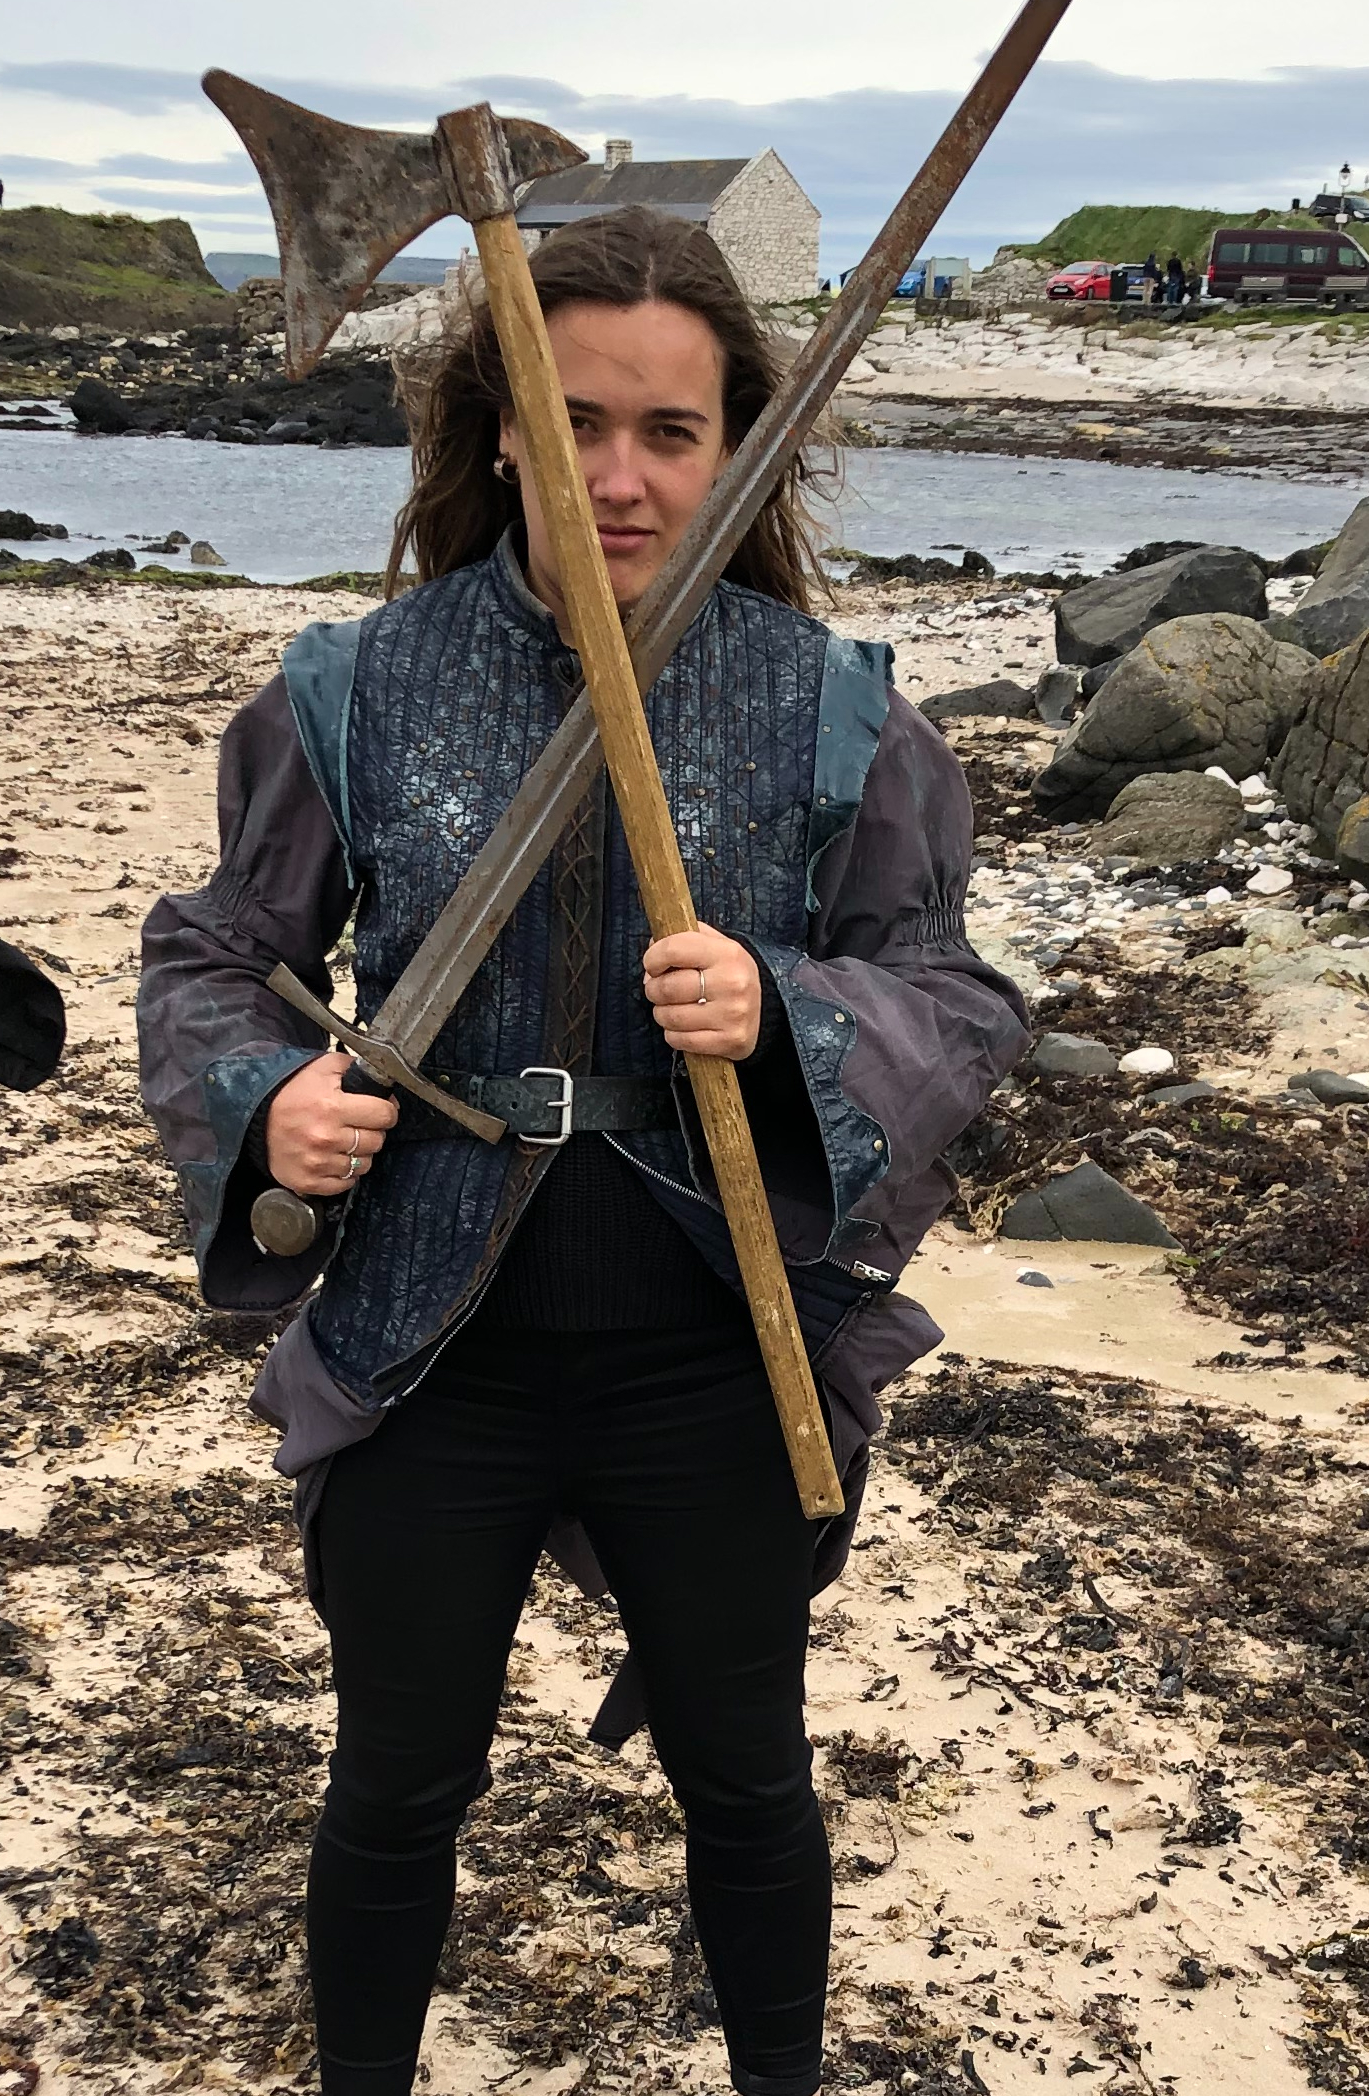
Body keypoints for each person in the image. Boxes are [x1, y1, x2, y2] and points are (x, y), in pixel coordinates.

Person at [139, 206, 1028, 2096]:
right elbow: (217, 952)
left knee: (747, 1773)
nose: (619, 478)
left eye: (670, 431)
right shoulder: (357, 687)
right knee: (396, 1778)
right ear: (501, 435)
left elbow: (952, 997)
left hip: (716, 1343)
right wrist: (267, 1098)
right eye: (576, 425)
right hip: (428, 1340)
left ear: (735, 451)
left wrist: (791, 1009)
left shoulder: (833, 707)